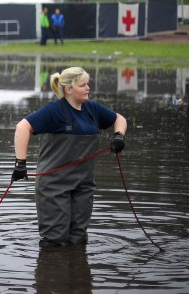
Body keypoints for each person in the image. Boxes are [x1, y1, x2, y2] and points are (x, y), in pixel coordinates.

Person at [11, 67, 127, 247]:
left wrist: (118, 136)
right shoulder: (53, 111)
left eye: (88, 84)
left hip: (84, 186)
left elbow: (119, 119)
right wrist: (20, 163)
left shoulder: (92, 109)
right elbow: (22, 127)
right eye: (83, 85)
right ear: (69, 89)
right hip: (53, 186)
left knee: (78, 238)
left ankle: (77, 273)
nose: (88, 88)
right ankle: (52, 271)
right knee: (55, 240)